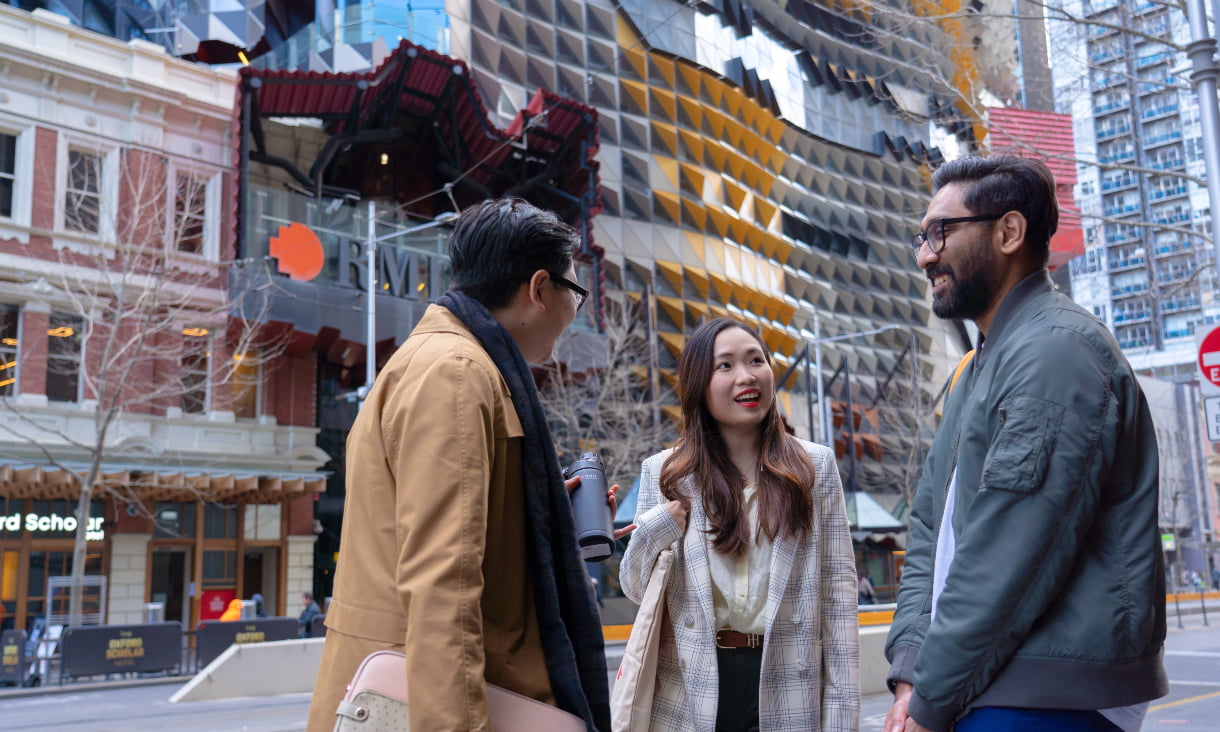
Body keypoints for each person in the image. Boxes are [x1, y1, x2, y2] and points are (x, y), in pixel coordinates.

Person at [307, 198, 624, 732]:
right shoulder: (457, 375)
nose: (577, 312)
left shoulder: (448, 362)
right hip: (427, 702)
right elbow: (442, 585)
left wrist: (540, 525)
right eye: (577, 293)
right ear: (539, 289)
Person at [884, 155, 1167, 732]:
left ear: (1009, 231)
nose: (925, 255)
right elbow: (930, 530)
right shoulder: (979, 367)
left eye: (941, 232)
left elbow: (1009, 555)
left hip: (1048, 696)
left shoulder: (1055, 352)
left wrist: (930, 696)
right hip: (984, 682)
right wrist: (912, 670)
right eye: (921, 236)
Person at [620, 317, 860, 732]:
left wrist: (842, 716)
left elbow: (838, 596)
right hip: (689, 691)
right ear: (699, 384)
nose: (747, 376)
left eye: (755, 360)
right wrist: (660, 525)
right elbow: (636, 589)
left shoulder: (814, 466)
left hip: (789, 682)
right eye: (725, 366)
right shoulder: (665, 472)